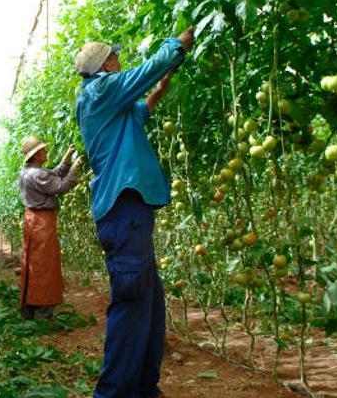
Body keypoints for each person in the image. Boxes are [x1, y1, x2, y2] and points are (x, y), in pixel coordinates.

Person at [74, 26, 195, 398]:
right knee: (131, 300)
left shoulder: (110, 104)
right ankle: (112, 393)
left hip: (131, 211)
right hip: (123, 209)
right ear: (106, 64)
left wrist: (159, 90)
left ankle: (143, 386)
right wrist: (177, 45)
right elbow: (146, 72)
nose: (120, 60)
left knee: (149, 304)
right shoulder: (101, 91)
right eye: (115, 56)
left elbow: (139, 111)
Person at [17, 136, 84, 320]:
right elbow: (59, 187)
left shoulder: (27, 172)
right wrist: (76, 168)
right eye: (43, 150)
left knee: (32, 264)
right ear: (37, 155)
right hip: (42, 223)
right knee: (43, 266)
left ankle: (29, 309)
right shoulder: (37, 174)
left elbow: (50, 176)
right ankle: (42, 312)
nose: (46, 152)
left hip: (32, 221)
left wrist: (67, 159)